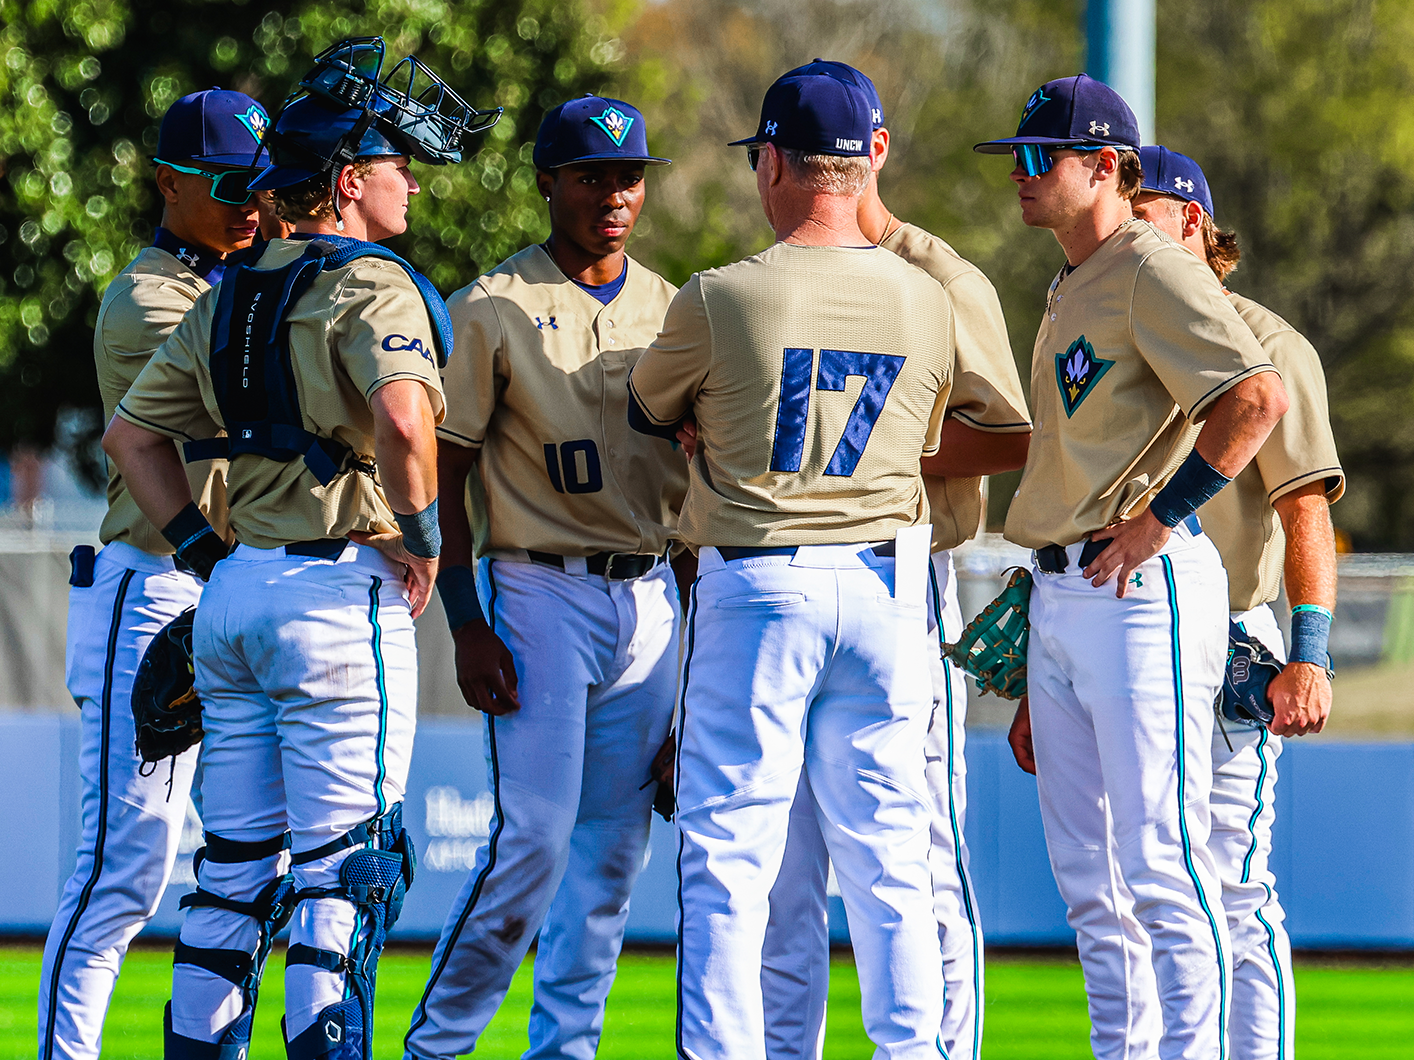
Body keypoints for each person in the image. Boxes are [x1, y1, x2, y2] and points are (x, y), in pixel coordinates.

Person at [101, 37, 497, 1060]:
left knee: (231, 875)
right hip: (338, 595)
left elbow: (132, 438)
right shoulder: (372, 283)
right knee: (344, 874)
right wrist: (423, 543)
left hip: (235, 596)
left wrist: (197, 548)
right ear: (352, 180)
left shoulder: (229, 288)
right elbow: (407, 427)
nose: (413, 181)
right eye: (400, 163)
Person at [629, 69, 955, 1060]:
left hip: (762, 573)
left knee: (730, 852)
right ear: (863, 166)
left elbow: (650, 408)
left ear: (774, 163)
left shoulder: (721, 295)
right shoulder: (927, 298)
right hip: (885, 584)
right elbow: (932, 434)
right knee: (891, 859)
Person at [981, 74, 1287, 1060]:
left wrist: (1162, 517)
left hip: (1137, 587)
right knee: (1089, 883)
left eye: (1041, 159)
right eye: (1018, 158)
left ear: (1107, 167)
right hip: (1069, 591)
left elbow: (1256, 398)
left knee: (1163, 863)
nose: (1022, 176)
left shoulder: (1150, 266)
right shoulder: (1075, 279)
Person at [752, 60, 1031, 1060]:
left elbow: (1014, 433)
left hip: (903, 574)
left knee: (916, 859)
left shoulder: (941, 278)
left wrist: (880, 447)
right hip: (781, 578)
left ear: (874, 156)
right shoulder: (776, 276)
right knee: (783, 869)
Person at [403, 95, 688, 1060]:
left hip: (651, 593)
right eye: (592, 174)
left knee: (611, 863)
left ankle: (564, 1049)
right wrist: (465, 618)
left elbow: (704, 493)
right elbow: (446, 468)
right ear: (548, 182)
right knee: (529, 846)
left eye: (628, 175)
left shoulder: (675, 306)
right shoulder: (488, 305)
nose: (614, 193)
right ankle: (436, 1045)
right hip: (539, 587)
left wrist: (699, 665)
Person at [39, 86, 268, 1060]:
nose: (252, 203)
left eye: (263, 183)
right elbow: (250, 373)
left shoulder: (248, 279)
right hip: (156, 584)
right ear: (170, 183)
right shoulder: (147, 297)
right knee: (123, 869)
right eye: (228, 183)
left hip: (236, 590)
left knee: (258, 858)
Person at [1115, 144, 1343, 1060]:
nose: (1129, 219)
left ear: (1197, 225)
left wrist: (1310, 651)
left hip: (1230, 637)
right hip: (1124, 630)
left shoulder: (1269, 343)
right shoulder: (1114, 319)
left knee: (1230, 881)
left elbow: (1304, 508)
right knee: (1140, 882)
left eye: (1149, 205)